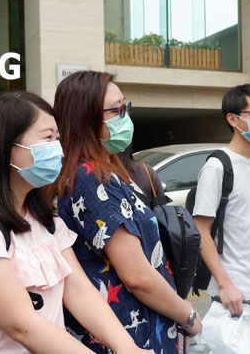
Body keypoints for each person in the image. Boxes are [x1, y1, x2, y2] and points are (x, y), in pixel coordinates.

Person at [0, 92, 150, 353]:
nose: (58, 148)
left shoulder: (45, 217)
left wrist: (126, 347)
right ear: (2, 146)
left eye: (57, 138)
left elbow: (78, 289)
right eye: (47, 138)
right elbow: (22, 325)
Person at [52, 71, 201, 353]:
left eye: (126, 107)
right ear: (85, 119)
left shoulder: (107, 171)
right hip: (129, 336)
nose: (125, 116)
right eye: (116, 110)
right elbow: (136, 276)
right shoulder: (89, 177)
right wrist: (188, 315)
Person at [191, 84, 250, 325]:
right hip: (233, 294)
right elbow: (201, 230)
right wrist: (225, 285)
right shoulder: (217, 167)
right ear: (233, 119)